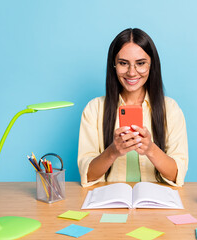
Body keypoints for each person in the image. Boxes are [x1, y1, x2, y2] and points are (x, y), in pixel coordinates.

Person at [77, 28, 188, 187]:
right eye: (123, 63)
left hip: (156, 203)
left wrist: (150, 149)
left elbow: (177, 175)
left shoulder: (170, 109)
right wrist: (113, 151)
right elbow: (88, 175)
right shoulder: (94, 109)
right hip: (111, 201)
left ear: (151, 65)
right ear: (113, 65)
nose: (131, 72)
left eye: (141, 63)